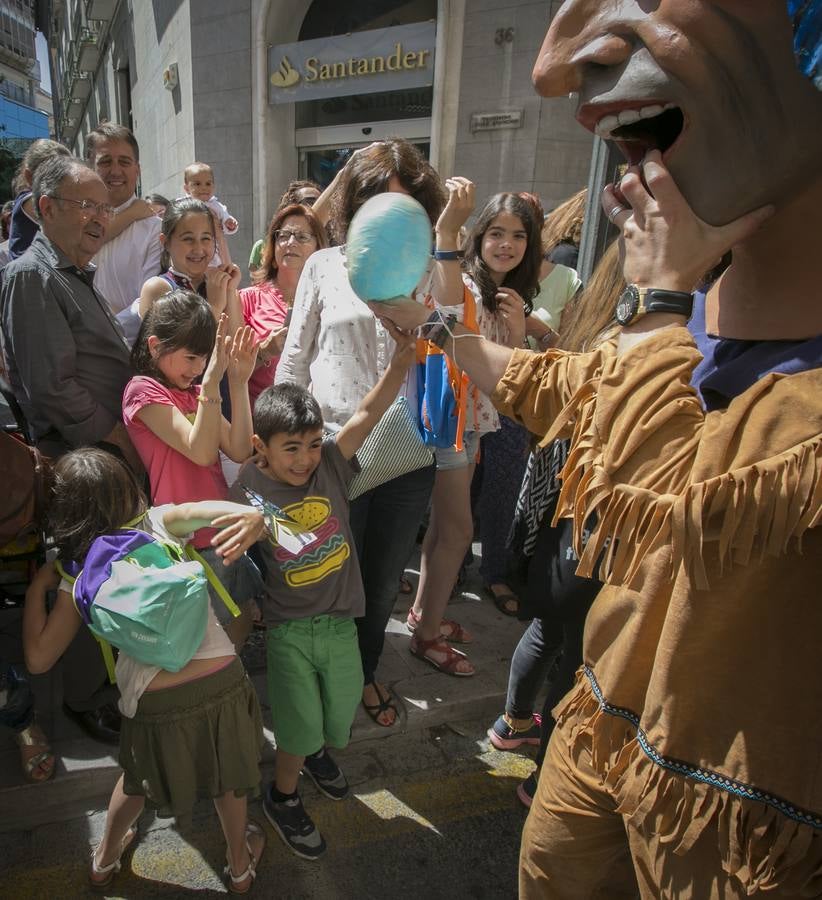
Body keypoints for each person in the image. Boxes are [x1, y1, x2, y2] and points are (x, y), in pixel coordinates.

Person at [370, 0, 822, 892]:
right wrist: (442, 331)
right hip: (600, 737)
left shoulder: (674, 306)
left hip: (736, 822)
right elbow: (567, 385)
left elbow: (679, 506)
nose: (554, 64)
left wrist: (660, 299)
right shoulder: (688, 306)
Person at [23, 449, 267, 893]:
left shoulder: (76, 573)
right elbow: (207, 509)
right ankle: (239, 867)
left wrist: (36, 589)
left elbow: (38, 660)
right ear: (127, 489)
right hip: (222, 679)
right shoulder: (157, 522)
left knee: (136, 781)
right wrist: (251, 515)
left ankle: (104, 859)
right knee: (228, 776)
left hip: (155, 700)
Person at [275, 139, 445, 727]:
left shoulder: (433, 268)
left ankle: (364, 674)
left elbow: (463, 349)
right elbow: (295, 358)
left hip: (407, 451)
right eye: (377, 202)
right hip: (333, 450)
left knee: (380, 581)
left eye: (405, 205)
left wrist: (429, 316)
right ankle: (322, 679)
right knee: (329, 579)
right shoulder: (324, 265)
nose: (390, 217)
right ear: (354, 206)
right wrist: (283, 443)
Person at [232, 319, 416, 858]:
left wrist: (400, 362)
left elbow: (366, 415)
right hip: (288, 630)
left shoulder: (332, 466)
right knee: (297, 725)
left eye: (312, 444)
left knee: (337, 719)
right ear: (261, 449)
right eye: (291, 448)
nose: (305, 458)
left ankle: (314, 754)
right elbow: (222, 540)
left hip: (339, 624)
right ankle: (283, 795)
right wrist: (248, 529)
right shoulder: (247, 487)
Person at [1, 154, 139, 744]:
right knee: (82, 574)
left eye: (105, 208)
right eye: (86, 205)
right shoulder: (32, 276)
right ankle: (87, 697)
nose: (99, 218)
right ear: (45, 207)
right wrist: (117, 435)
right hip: (80, 459)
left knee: (104, 570)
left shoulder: (72, 272)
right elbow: (51, 388)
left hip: (103, 453)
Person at [487, 239, 622, 808]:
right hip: (599, 529)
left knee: (550, 631)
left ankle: (514, 723)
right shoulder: (638, 348)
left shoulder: (591, 337)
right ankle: (542, 777)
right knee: (578, 657)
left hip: (563, 519)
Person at [406, 188, 540, 675]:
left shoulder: (509, 298)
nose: (506, 244)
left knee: (445, 528)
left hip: (472, 424)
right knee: (459, 531)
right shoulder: (462, 282)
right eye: (497, 233)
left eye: (518, 236)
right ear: (479, 237)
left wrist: (518, 330)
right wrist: (446, 233)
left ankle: (424, 613)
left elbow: (508, 380)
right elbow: (443, 325)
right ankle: (425, 636)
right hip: (450, 422)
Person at [123, 294, 262, 648]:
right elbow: (201, 452)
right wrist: (212, 385)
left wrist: (238, 382)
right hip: (188, 541)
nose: (199, 367)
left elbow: (240, 449)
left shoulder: (196, 392)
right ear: (155, 346)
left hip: (222, 530)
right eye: (190, 357)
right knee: (205, 637)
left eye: (204, 357)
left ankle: (230, 678)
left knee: (239, 618)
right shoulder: (142, 391)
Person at [241, 202, 327, 407]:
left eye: (302, 237)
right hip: (261, 417)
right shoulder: (245, 299)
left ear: (319, 249)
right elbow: (227, 373)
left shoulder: (330, 301)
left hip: (315, 416)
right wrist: (264, 352)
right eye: (283, 235)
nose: (291, 242)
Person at [85, 123, 163, 315]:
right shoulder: (74, 222)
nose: (115, 171)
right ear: (89, 168)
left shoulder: (156, 230)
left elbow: (147, 303)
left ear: (137, 170)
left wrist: (105, 328)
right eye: (105, 162)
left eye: (124, 162)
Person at [138, 198, 243, 333]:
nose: (198, 249)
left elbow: (238, 343)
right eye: (188, 239)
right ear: (165, 242)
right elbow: (175, 345)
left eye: (206, 238)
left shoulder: (220, 286)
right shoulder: (158, 288)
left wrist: (230, 291)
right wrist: (214, 308)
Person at [247, 179, 321, 275]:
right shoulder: (263, 246)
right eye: (310, 202)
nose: (292, 243)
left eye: (322, 202)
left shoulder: (333, 251)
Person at [182, 162, 238, 266]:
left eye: (208, 184)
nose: (204, 187)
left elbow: (225, 222)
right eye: (197, 184)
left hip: (214, 251)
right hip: (190, 250)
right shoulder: (183, 205)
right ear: (186, 188)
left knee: (216, 265)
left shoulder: (216, 206)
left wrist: (229, 224)